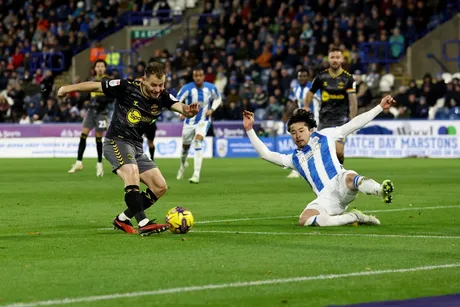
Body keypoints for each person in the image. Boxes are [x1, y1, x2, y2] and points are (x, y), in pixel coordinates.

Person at [58, 62, 199, 236]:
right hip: (116, 141)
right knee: (132, 172)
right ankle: (144, 223)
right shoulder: (126, 87)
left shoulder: (163, 96)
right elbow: (96, 86)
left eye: (161, 85)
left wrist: (188, 111)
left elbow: (180, 107)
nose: (157, 89)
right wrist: (67, 88)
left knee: (159, 186)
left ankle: (123, 218)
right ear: (144, 80)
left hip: (136, 147)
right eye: (153, 85)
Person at [243, 95, 396, 227]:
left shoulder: (326, 135)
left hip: (341, 183)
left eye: (301, 131)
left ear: (310, 130)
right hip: (326, 198)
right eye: (293, 133)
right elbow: (266, 154)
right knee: (305, 219)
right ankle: (353, 217)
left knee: (350, 176)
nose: (297, 136)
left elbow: (354, 124)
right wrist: (249, 129)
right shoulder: (294, 158)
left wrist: (380, 107)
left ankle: (380, 190)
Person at [304, 48, 358, 165]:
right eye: (332, 57)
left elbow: (353, 101)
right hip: (324, 119)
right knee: (321, 152)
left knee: (339, 152)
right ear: (328, 59)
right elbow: (310, 92)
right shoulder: (321, 77)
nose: (335, 60)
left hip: (341, 120)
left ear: (342, 60)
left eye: (337, 57)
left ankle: (340, 174)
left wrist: (353, 120)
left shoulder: (348, 78)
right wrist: (306, 106)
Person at [175, 67, 222, 184]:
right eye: (196, 76)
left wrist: (212, 109)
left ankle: (196, 175)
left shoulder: (210, 88)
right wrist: (179, 113)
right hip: (189, 122)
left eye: (200, 76)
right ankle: (182, 165)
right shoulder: (187, 88)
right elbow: (175, 102)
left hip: (203, 120)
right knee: (185, 148)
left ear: (203, 76)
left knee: (197, 141)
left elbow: (218, 98)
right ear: (193, 77)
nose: (198, 78)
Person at [68, 60, 113, 177]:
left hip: (102, 112)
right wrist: (79, 99)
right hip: (91, 111)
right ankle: (79, 162)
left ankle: (99, 164)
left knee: (98, 137)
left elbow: (112, 98)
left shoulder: (108, 81)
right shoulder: (91, 80)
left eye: (102, 66)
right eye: (98, 66)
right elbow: (86, 96)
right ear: (95, 68)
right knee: (83, 134)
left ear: (105, 68)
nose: (100, 68)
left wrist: (100, 100)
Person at [286, 68, 321, 179]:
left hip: (314, 120)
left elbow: (321, 101)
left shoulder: (313, 88)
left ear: (308, 77)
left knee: (313, 145)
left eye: (304, 76)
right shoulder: (296, 88)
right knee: (301, 144)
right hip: (301, 121)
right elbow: (295, 102)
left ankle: (314, 168)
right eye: (300, 76)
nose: (302, 78)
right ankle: (299, 169)